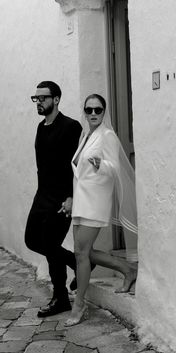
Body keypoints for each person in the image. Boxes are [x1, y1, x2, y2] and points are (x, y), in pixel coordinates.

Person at [65, 94, 138, 327]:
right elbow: (78, 169)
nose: (93, 113)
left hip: (96, 200)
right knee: (82, 251)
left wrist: (101, 164)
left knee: (81, 252)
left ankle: (79, 304)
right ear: (84, 111)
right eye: (89, 110)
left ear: (104, 112)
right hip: (81, 200)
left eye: (98, 110)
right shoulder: (86, 135)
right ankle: (127, 269)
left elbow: (115, 167)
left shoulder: (107, 136)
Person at [25, 81, 83, 317]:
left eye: (43, 98)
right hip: (42, 196)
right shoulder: (41, 127)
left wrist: (71, 197)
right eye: (35, 98)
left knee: (50, 246)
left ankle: (60, 298)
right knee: (32, 240)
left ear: (56, 99)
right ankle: (77, 263)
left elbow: (77, 165)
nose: (38, 102)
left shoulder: (71, 127)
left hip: (61, 199)